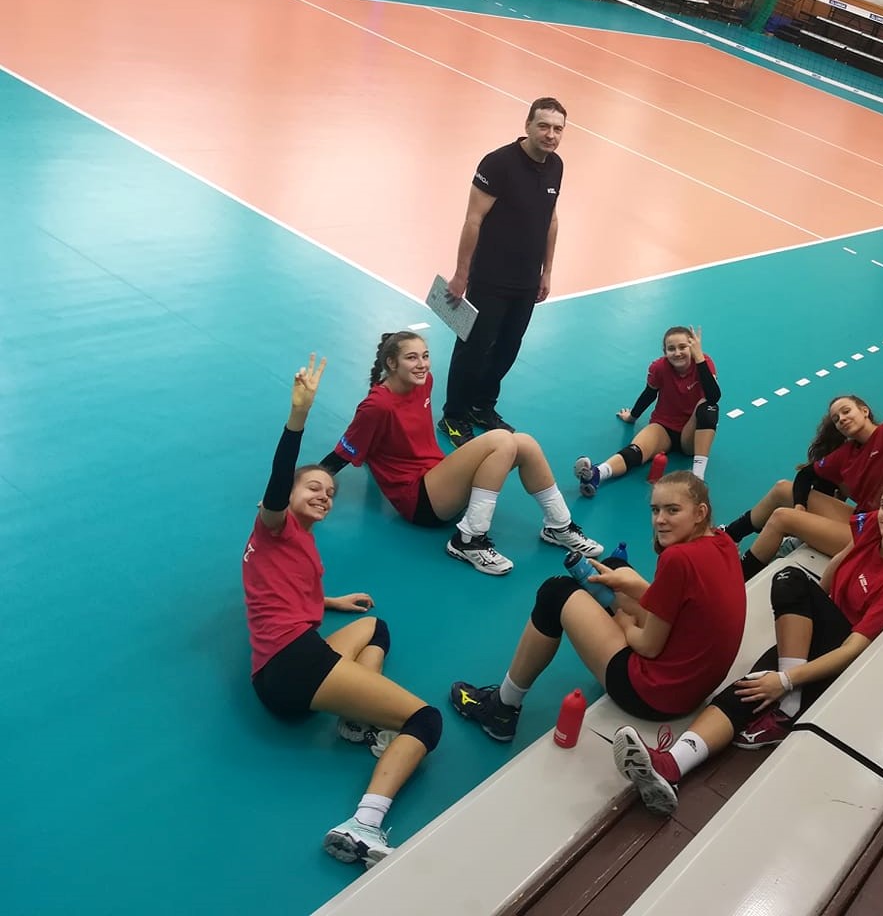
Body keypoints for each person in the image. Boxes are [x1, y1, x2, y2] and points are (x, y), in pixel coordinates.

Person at [613, 476, 883, 816]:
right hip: (820, 633)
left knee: (790, 579)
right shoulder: (873, 529)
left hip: (843, 660)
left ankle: (789, 706)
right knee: (746, 689)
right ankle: (671, 766)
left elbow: (853, 649)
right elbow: (835, 572)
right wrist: (816, 603)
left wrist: (785, 681)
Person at [244, 354, 442, 867]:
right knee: (425, 720)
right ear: (283, 499)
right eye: (313, 487)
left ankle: (355, 723)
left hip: (279, 669)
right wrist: (298, 416)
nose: (325, 495)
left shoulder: (294, 543)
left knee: (375, 627)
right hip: (294, 663)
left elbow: (277, 592)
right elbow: (277, 481)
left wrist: (331, 602)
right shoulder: (274, 524)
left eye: (330, 492)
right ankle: (363, 824)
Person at [450, 472, 746, 742]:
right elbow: (688, 603)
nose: (659, 520)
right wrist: (634, 587)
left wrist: (624, 623)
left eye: (672, 510)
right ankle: (605, 607)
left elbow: (648, 647)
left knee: (555, 593)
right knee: (613, 568)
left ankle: (502, 709)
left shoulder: (677, 559)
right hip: (693, 689)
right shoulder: (723, 542)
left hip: (653, 695)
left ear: (700, 513)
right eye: (655, 510)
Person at [322, 331, 602, 575]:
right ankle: (468, 540)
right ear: (391, 363)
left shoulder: (425, 382)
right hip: (418, 499)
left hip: (439, 479)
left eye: (425, 356)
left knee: (524, 442)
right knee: (502, 441)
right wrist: (312, 482)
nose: (422, 364)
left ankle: (559, 526)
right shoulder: (376, 406)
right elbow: (346, 449)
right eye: (412, 358)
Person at [722, 308, 883, 579]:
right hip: (864, 520)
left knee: (782, 517)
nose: (841, 419)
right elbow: (805, 475)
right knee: (783, 488)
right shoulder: (847, 452)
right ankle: (727, 536)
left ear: (864, 410)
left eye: (846, 411)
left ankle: (736, 579)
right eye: (836, 418)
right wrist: (800, 504)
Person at [438, 97, 568, 444]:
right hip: (489, 278)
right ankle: (453, 415)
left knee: (508, 348)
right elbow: (473, 220)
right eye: (543, 126)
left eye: (557, 129)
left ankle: (481, 406)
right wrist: (461, 274)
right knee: (473, 348)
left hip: (526, 281)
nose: (550, 135)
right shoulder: (498, 164)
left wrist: (547, 271)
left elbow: (551, 220)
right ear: (527, 125)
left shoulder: (556, 166)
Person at [574, 326, 721, 495]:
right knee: (635, 450)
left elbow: (714, 396)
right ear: (665, 352)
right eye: (671, 349)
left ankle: (697, 479)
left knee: (708, 406)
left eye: (683, 347)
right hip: (664, 427)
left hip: (691, 433)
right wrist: (632, 417)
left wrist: (699, 358)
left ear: (692, 347)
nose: (677, 353)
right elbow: (649, 394)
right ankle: (596, 474)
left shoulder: (704, 362)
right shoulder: (659, 367)